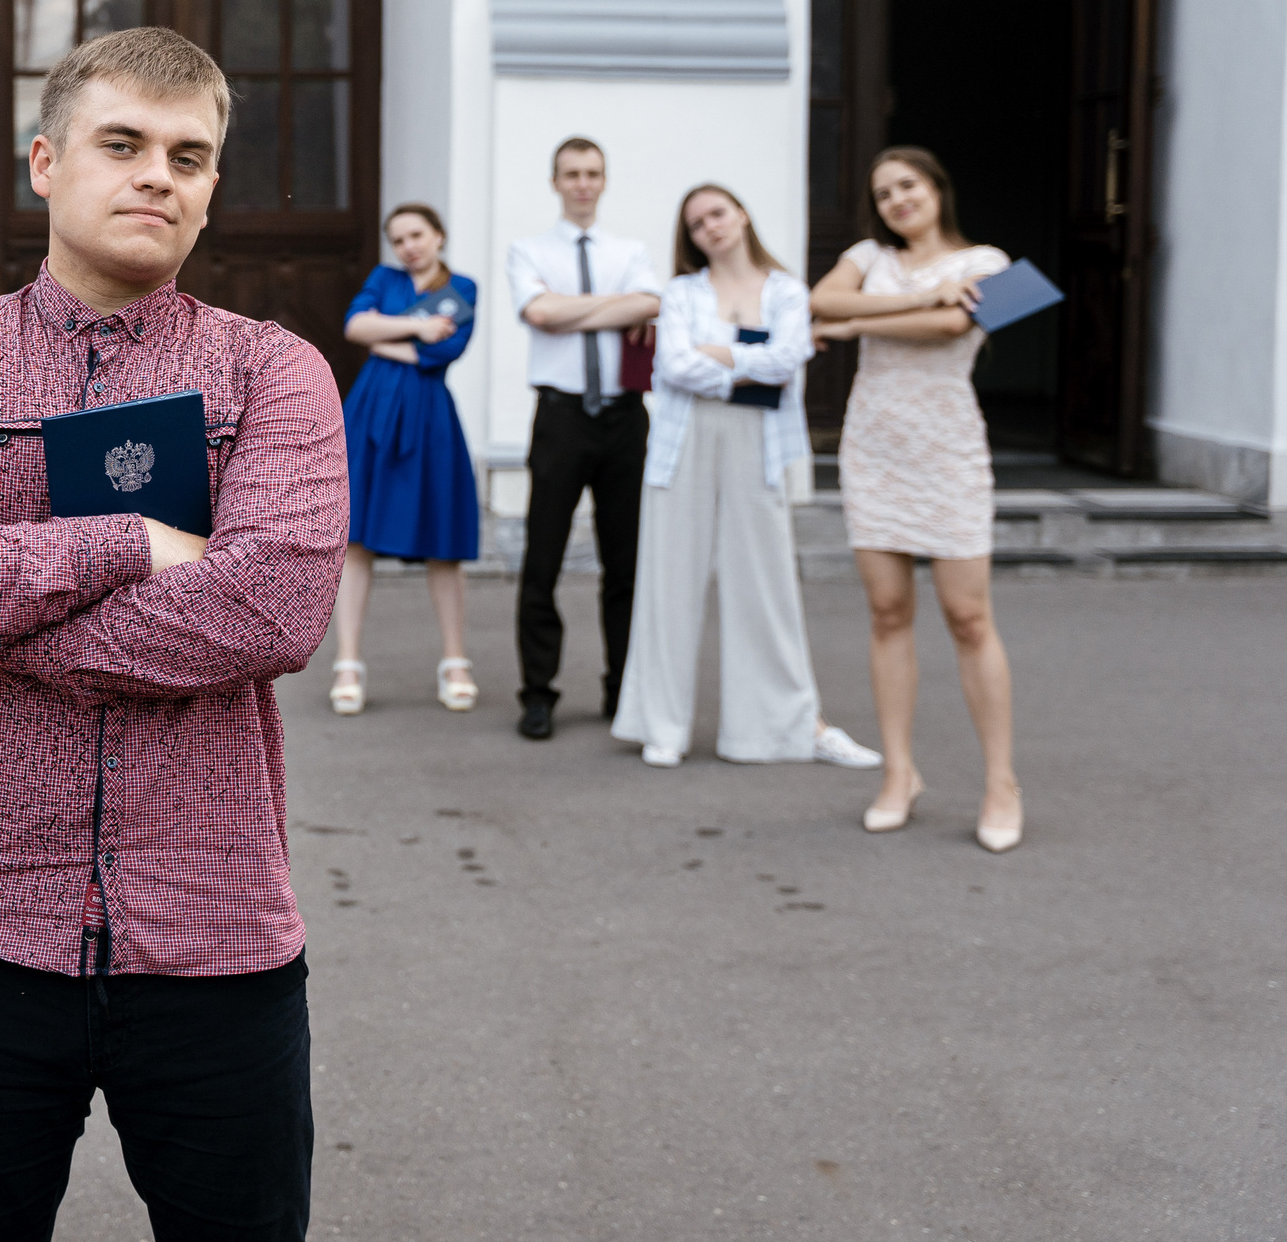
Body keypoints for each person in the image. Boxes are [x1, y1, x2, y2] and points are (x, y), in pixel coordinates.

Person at [0, 27, 346, 1242]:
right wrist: (126, 543)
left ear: (210, 190)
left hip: (214, 940)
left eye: (188, 156)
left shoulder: (271, 372)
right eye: (122, 143)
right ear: (46, 162)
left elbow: (269, 609)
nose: (157, 174)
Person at [610, 184, 882, 771]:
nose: (710, 226)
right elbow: (672, 366)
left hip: (759, 440)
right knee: (668, 580)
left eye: (717, 213)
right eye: (697, 222)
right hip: (683, 440)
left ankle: (781, 729)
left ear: (741, 215)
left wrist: (717, 353)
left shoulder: (786, 290)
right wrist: (745, 361)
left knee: (765, 583)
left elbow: (786, 361)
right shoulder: (681, 292)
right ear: (690, 237)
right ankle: (662, 724)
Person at [809, 147, 1024, 852]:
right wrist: (922, 296)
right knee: (887, 612)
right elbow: (821, 301)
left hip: (948, 450)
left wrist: (860, 323)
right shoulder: (868, 255)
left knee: (969, 616)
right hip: (874, 449)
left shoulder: (988, 262)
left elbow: (953, 327)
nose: (897, 199)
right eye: (884, 193)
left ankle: (1001, 782)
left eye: (908, 185)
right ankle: (899, 773)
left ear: (936, 187)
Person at [505, 138, 662, 741]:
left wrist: (570, 306)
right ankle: (538, 694)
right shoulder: (529, 250)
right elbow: (540, 315)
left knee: (625, 562)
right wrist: (619, 307)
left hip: (624, 416)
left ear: (604, 180)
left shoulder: (630, 250)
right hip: (562, 416)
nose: (582, 184)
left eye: (592, 173)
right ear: (555, 181)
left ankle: (623, 689)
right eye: (571, 173)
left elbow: (652, 302)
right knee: (542, 558)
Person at [328, 202, 481, 717]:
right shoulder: (384, 278)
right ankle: (348, 663)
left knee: (444, 543)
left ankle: (455, 662)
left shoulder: (463, 288)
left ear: (439, 235)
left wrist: (386, 335)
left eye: (416, 235)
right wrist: (417, 328)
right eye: (398, 239)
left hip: (429, 419)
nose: (408, 246)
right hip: (370, 414)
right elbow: (355, 327)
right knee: (355, 539)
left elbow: (442, 353)